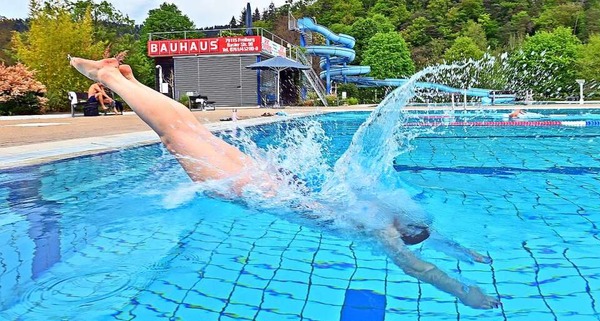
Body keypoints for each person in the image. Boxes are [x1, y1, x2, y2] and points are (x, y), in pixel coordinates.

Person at [69, 56, 500, 309]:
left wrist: (469, 253)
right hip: (252, 190)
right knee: (178, 136)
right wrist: (467, 294)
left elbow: (429, 239)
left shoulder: (386, 205)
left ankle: (126, 81)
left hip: (272, 178)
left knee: (193, 131)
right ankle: (109, 78)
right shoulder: (385, 232)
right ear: (405, 232)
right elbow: (418, 266)